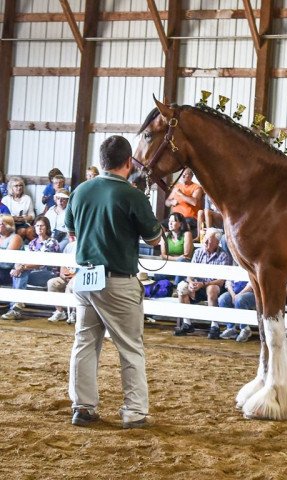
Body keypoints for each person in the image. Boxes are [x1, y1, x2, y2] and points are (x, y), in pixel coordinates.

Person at [64, 135, 162, 429]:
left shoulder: (81, 190)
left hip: (85, 276)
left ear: (102, 161)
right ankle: (134, 411)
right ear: (129, 162)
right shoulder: (132, 195)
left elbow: (72, 230)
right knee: (130, 346)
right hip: (117, 280)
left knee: (84, 342)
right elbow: (154, 238)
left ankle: (83, 406)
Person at [175, 228, 232, 337]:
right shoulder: (198, 252)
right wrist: (191, 282)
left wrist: (203, 284)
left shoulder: (223, 256)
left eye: (209, 240)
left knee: (212, 289)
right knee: (182, 286)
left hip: (213, 287)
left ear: (217, 242)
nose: (205, 242)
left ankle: (214, 325)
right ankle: (187, 323)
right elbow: (190, 274)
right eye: (205, 238)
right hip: (198, 286)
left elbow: (221, 281)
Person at [1, 215, 61, 320]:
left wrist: (22, 267)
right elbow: (28, 260)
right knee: (19, 271)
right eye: (37, 226)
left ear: (47, 227)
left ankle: (15, 307)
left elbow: (43, 263)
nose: (39, 228)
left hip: (48, 273)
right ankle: (16, 307)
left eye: (42, 226)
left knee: (21, 271)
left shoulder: (52, 242)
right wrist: (19, 267)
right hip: (33, 272)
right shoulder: (32, 243)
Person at [156, 212, 193, 286]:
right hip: (170, 265)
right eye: (169, 221)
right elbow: (163, 255)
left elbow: (186, 255)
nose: (170, 223)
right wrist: (177, 258)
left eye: (173, 221)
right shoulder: (166, 235)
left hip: (184, 266)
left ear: (181, 224)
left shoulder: (187, 234)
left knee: (182, 261)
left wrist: (173, 258)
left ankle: (177, 287)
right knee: (157, 274)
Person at [46, 238, 77, 324]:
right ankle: (60, 311)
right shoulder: (69, 246)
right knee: (52, 283)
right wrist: (63, 274)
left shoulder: (87, 245)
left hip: (79, 277)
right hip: (67, 275)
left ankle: (74, 312)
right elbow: (63, 263)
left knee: (71, 285)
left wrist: (75, 276)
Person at [164, 168, 203, 235]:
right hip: (175, 218)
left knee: (179, 224)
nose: (183, 176)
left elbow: (194, 202)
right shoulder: (177, 187)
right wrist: (171, 202)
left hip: (190, 218)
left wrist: (181, 194)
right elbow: (167, 202)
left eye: (185, 174)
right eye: (182, 174)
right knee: (160, 226)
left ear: (191, 176)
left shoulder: (197, 187)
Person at [0, 214, 23, 287]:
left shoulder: (15, 238)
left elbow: (7, 260)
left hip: (9, 271)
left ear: (8, 225)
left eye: (0, 224)